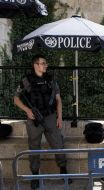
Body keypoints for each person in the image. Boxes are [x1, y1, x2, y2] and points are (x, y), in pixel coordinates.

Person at [14, 54, 71, 189]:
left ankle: (63, 170)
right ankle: (34, 175)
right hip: (34, 118)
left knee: (58, 143)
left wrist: (59, 117)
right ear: (35, 65)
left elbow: (58, 99)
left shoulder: (51, 80)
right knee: (34, 147)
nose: (46, 65)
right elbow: (16, 99)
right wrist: (27, 110)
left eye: (46, 63)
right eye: (43, 63)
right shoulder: (26, 80)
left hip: (50, 117)